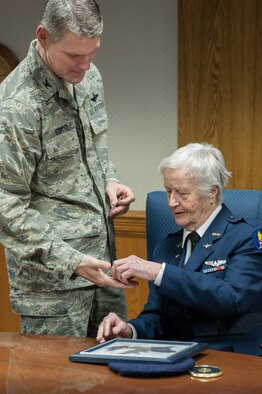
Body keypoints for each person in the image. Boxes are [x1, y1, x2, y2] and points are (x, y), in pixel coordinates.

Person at [0, 0, 137, 337]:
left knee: (113, 378)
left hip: (104, 268)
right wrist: (72, 261)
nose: (86, 66)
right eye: (75, 56)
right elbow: (7, 206)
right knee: (59, 386)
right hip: (52, 289)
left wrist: (110, 178)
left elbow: (95, 145)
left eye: (92, 53)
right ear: (44, 37)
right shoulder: (17, 107)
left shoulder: (88, 79)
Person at [97, 143, 262, 355]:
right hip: (177, 356)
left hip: (231, 355)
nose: (172, 202)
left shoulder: (248, 235)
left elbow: (232, 299)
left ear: (211, 192)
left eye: (182, 193)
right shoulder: (167, 246)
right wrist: (130, 330)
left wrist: (159, 272)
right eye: (168, 191)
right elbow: (157, 318)